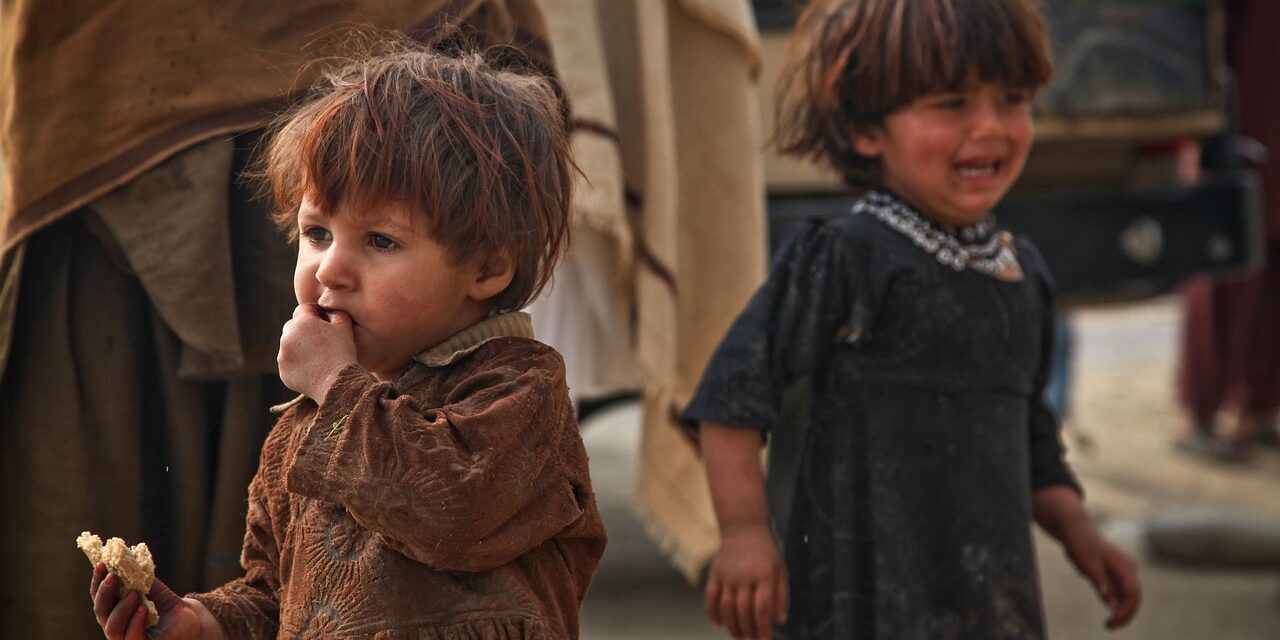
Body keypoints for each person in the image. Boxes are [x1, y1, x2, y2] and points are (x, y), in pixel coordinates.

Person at [0, 3, 546, 639]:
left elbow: (451, 511)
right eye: (316, 233)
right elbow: (277, 595)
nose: (329, 270)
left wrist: (338, 387)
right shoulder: (304, 424)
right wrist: (206, 622)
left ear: (487, 269)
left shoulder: (515, 394)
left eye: (381, 242)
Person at [681, 1, 1142, 637]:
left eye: (1011, 98)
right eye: (951, 103)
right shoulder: (843, 258)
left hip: (987, 603)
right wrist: (743, 536)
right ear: (867, 130)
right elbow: (730, 400)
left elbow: (1030, 433)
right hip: (858, 604)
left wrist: (1081, 534)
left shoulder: (1022, 272)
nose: (989, 128)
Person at [1174, 0, 1280, 463]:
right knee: (1225, 259)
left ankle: (1259, 406)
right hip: (1243, 122)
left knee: (1272, 266)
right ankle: (1203, 409)